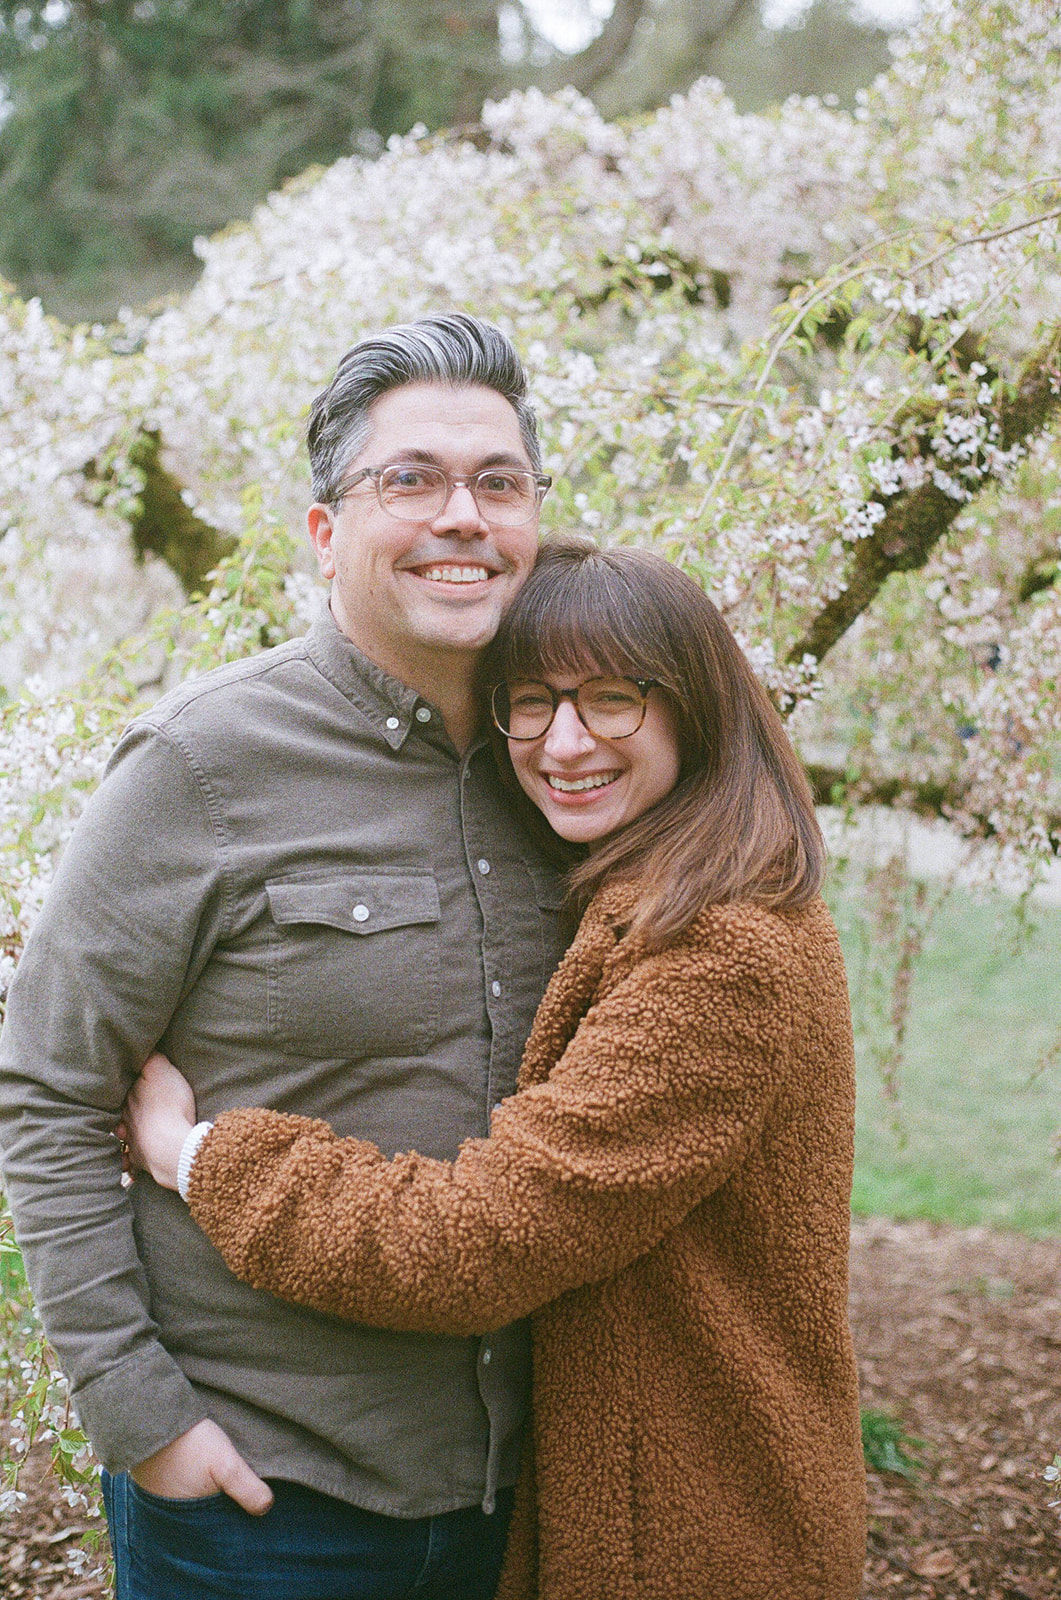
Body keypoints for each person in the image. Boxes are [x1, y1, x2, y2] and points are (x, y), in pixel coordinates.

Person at [125, 542, 869, 1600]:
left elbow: (474, 1241)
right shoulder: (652, 894)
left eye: (611, 698)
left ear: (695, 709)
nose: (564, 741)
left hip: (694, 1538)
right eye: (531, 701)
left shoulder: (719, 958)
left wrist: (195, 1153)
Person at [0, 314, 570, 1600]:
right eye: (409, 479)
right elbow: (48, 1087)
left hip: (528, 1493)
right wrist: (146, 1422)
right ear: (325, 532)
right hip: (266, 1500)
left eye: (498, 481)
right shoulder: (201, 764)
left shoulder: (575, 763)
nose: (461, 517)